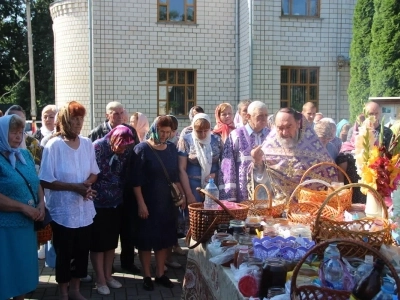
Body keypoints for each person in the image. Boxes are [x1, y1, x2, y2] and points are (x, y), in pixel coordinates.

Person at [39, 101, 100, 300]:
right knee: (65, 253)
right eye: (75, 119)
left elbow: (94, 173)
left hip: (84, 210)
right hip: (63, 213)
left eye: (81, 119)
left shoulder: (87, 144)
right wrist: (74, 187)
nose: (79, 123)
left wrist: (87, 186)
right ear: (66, 120)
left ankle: (75, 289)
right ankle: (64, 292)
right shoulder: (53, 145)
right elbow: (46, 180)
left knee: (82, 252)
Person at [132, 116, 185, 291]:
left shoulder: (171, 148)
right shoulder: (141, 149)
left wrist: (181, 196)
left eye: (168, 132)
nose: (164, 135)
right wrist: (141, 203)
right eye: (162, 131)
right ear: (155, 129)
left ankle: (161, 273)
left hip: (167, 203)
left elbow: (175, 175)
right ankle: (147, 275)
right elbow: (136, 181)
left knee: (164, 239)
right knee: (146, 240)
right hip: (148, 202)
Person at [88, 101, 140, 276]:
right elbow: (92, 167)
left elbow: (133, 158)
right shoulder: (97, 136)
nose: (118, 116)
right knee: (103, 237)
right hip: (100, 198)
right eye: (114, 113)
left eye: (121, 113)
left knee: (127, 229)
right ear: (107, 114)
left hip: (122, 192)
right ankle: (104, 272)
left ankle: (127, 262)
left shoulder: (129, 132)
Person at [0, 114, 45, 300]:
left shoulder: (24, 154)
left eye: (21, 132)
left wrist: (42, 203)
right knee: (6, 271)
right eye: (13, 132)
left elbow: (36, 182)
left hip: (27, 226)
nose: (19, 136)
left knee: (23, 270)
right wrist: (23, 208)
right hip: (6, 228)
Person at [90, 125, 135, 295]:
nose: (123, 149)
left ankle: (108, 275)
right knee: (98, 244)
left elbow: (124, 174)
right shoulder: (98, 147)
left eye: (126, 146)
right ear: (114, 139)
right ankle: (100, 279)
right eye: (121, 145)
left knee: (110, 243)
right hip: (97, 203)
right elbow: (96, 173)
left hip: (116, 202)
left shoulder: (126, 149)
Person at [256, 108, 337, 199]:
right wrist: (257, 162)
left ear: (298, 124)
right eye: (280, 128)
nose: (285, 132)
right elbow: (260, 179)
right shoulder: (268, 149)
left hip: (308, 208)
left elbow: (331, 178)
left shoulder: (316, 151)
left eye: (289, 127)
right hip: (278, 207)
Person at [219, 101, 270, 202]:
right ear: (248, 116)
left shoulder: (271, 135)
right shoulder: (236, 135)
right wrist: (230, 198)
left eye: (266, 115)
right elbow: (228, 168)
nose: (264, 119)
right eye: (260, 116)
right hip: (243, 193)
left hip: (267, 192)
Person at [178, 113, 223, 204]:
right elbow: (181, 169)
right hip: (192, 187)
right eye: (199, 131)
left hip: (213, 186)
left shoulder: (217, 140)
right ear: (193, 129)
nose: (203, 134)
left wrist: (215, 174)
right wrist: (188, 194)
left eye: (206, 131)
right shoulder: (186, 140)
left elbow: (226, 164)